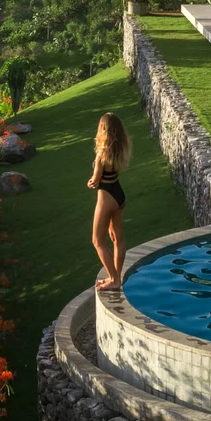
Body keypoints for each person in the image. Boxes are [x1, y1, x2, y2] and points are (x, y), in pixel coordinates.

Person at [87, 111, 131, 289]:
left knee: (97, 241)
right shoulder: (120, 150)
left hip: (106, 198)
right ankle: (116, 277)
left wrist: (90, 182)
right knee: (117, 238)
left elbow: (95, 180)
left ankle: (114, 279)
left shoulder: (101, 155)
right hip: (119, 194)